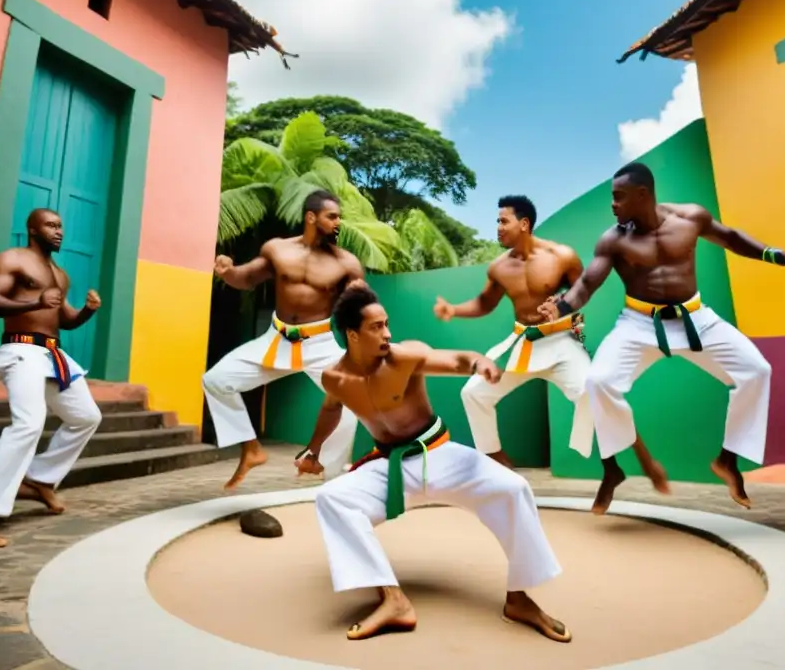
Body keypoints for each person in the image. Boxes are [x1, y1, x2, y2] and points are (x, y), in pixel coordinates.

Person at [295, 282, 570, 643]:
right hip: (388, 464)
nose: (388, 333)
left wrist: (479, 362)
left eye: (387, 323)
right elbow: (330, 409)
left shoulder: (402, 356)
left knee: (514, 489)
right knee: (333, 498)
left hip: (439, 454)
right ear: (352, 334)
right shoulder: (335, 378)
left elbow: (454, 360)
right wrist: (312, 450)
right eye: (376, 327)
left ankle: (519, 599)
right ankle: (392, 600)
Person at [538, 163, 785, 514]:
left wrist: (770, 253)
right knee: (599, 382)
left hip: (695, 317)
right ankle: (612, 468)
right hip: (638, 323)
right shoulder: (613, 239)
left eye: (619, 197)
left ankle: (728, 460)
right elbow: (587, 284)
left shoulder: (690, 218)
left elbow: (731, 237)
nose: (612, 204)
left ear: (642, 195)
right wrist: (563, 305)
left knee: (757, 370)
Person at [433, 194, 669, 493]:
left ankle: (642, 465)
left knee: (599, 396)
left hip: (560, 343)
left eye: (503, 221)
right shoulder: (498, 267)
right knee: (474, 392)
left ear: (524, 223)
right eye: (497, 222)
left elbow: (583, 289)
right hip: (522, 343)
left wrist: (562, 303)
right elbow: (484, 303)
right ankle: (497, 461)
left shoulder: (562, 256)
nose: (498, 228)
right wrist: (453, 310)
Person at [203, 190, 365, 490]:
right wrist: (227, 272)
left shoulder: (346, 263)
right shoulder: (278, 250)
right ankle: (250, 448)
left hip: (320, 343)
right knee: (216, 380)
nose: (338, 223)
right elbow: (246, 278)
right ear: (311, 217)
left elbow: (363, 304)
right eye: (332, 216)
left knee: (351, 403)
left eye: (339, 217)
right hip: (276, 339)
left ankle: (330, 475)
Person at [0, 209, 103, 548]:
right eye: (51, 225)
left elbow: (63, 318)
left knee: (86, 416)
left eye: (61, 226)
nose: (59, 232)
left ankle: (39, 479)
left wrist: (86, 311)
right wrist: (33, 301)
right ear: (32, 228)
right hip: (21, 351)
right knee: (28, 424)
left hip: (53, 355)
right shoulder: (12, 259)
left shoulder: (58, 273)